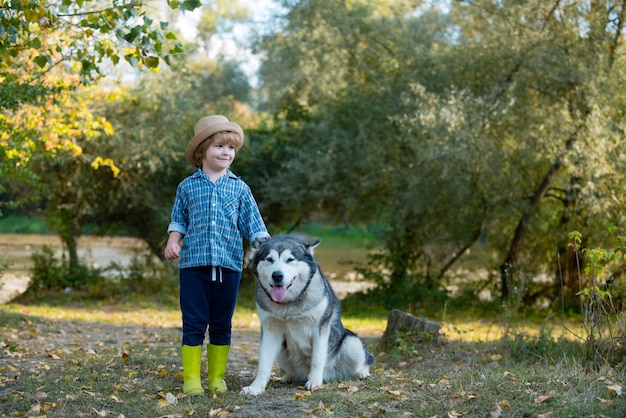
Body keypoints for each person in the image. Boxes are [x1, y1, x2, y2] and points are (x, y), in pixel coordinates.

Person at [164, 115, 270, 395]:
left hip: (229, 265)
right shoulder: (187, 187)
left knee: (222, 322)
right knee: (194, 322)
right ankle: (191, 379)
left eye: (231, 148)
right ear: (202, 153)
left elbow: (254, 224)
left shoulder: (240, 188)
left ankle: (216, 378)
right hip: (193, 267)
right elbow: (179, 220)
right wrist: (173, 241)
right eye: (219, 146)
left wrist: (266, 246)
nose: (226, 152)